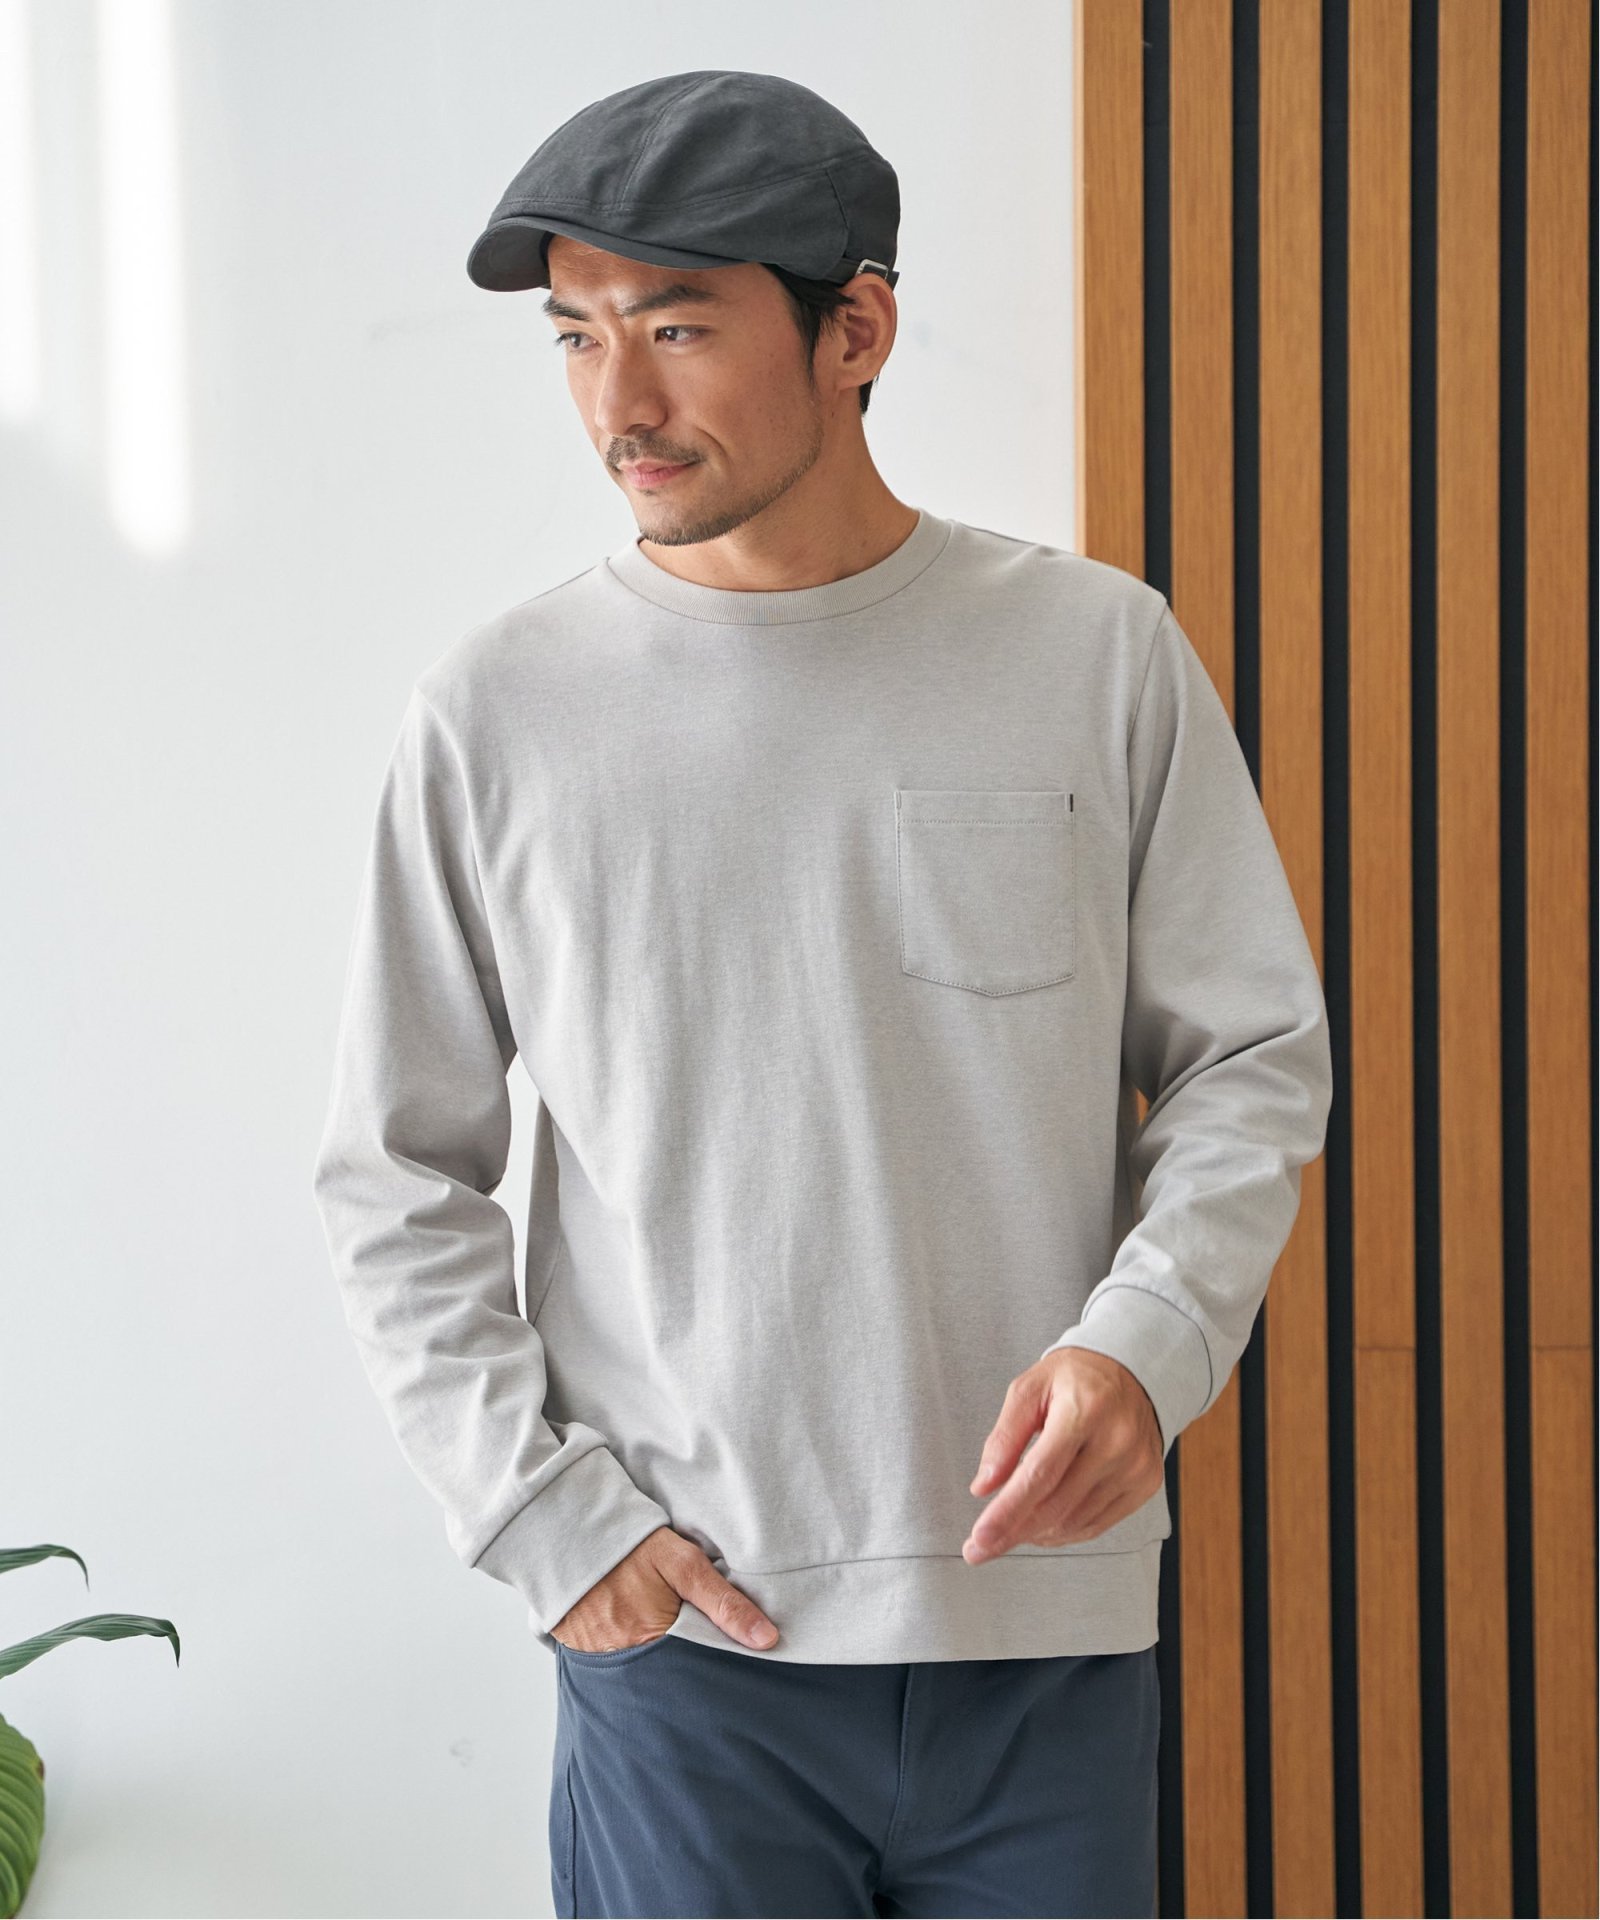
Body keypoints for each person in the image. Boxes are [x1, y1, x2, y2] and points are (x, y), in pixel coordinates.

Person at [311, 68, 1333, 1920]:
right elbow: (394, 1168)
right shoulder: (497, 716)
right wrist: (543, 1518)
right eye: (577, 336)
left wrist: (1148, 1340)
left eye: (678, 327)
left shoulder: (1094, 655)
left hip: (1045, 1636)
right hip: (687, 1647)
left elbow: (1250, 1059)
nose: (618, 404)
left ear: (854, 330)